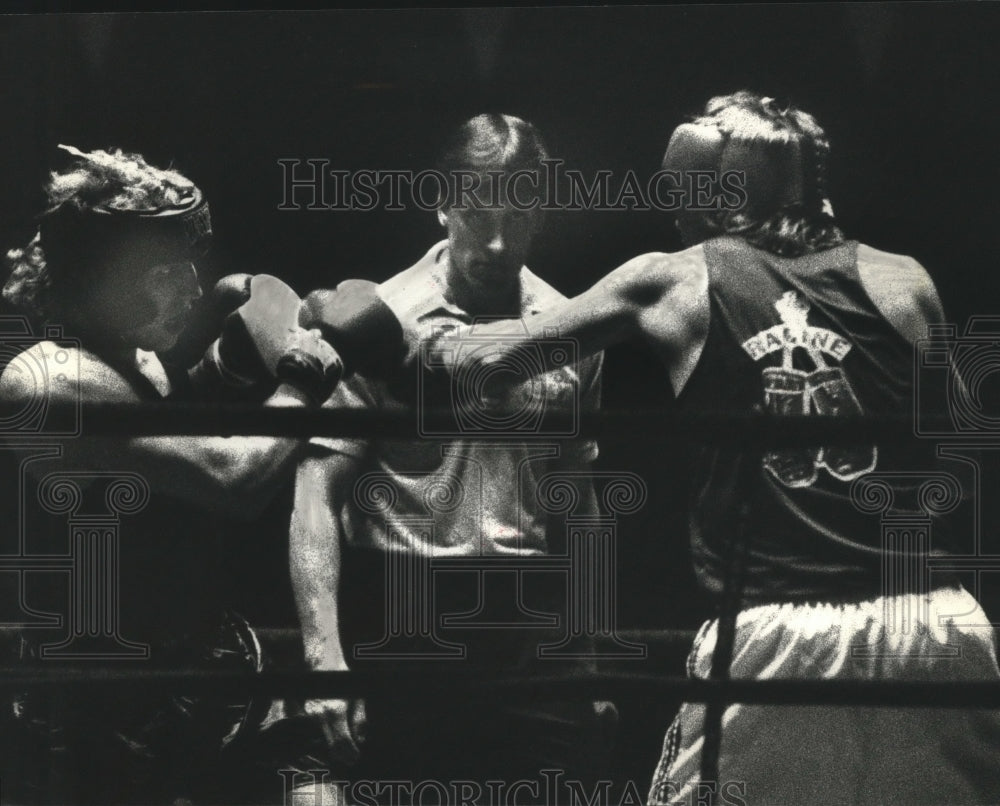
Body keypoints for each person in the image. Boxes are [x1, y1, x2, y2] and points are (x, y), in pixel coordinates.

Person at [429, 93, 1000, 805]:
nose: (674, 211)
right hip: (937, 627)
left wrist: (364, 326)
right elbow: (958, 462)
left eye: (686, 191)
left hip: (780, 632)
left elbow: (479, 365)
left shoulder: (671, 278)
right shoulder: (906, 280)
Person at [0, 145, 351, 805]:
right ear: (106, 271)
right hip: (105, 709)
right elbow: (231, 479)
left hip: (199, 664)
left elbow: (175, 452)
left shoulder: (137, 360)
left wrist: (235, 363)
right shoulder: (52, 380)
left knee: (319, 786)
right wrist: (301, 383)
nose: (191, 286)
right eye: (166, 270)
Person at [285, 114, 615, 805]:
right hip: (401, 609)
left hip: (526, 624)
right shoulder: (378, 321)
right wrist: (324, 657)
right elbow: (315, 491)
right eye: (475, 212)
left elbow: (576, 496)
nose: (496, 242)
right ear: (441, 201)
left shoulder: (571, 326)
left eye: (519, 216)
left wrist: (584, 648)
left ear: (543, 214)